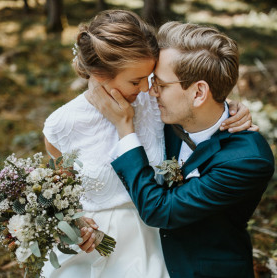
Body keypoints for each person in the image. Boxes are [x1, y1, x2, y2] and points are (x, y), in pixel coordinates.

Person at [42, 10, 254, 278]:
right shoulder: (61, 125)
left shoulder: (154, 106)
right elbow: (61, 194)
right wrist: (75, 224)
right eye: (135, 80)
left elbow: (196, 104)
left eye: (150, 76)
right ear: (100, 74)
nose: (146, 88)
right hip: (91, 249)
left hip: (151, 245)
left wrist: (230, 108)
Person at [86, 21, 275, 277]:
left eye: (161, 85)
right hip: (143, 260)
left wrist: (125, 129)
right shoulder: (165, 114)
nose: (150, 92)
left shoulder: (247, 160)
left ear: (199, 93)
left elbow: (160, 210)